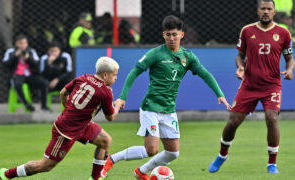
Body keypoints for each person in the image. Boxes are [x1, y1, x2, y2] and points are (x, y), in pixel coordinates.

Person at [101, 15, 231, 180]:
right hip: (151, 107)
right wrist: (122, 97)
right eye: (168, 35)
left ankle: (141, 172)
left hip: (169, 110)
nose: (171, 38)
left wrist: (220, 94)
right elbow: (134, 72)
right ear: (163, 35)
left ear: (181, 35)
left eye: (174, 34)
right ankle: (111, 160)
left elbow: (206, 74)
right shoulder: (155, 54)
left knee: (172, 153)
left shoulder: (188, 57)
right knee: (151, 150)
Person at [0, 56, 121, 180]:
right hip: (65, 132)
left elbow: (63, 93)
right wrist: (117, 106)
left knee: (105, 141)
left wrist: (68, 109)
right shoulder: (106, 92)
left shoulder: (83, 78)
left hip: (82, 125)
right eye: (114, 75)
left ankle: (95, 178)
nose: (116, 77)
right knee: (45, 165)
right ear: (105, 75)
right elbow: (110, 117)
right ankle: (6, 174)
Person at [209, 0, 295, 174]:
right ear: (257, 11)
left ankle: (272, 164)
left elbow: (289, 58)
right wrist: (240, 67)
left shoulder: (283, 33)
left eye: (269, 9)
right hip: (249, 85)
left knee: (272, 118)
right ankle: (222, 155)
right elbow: (240, 56)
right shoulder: (247, 31)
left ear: (274, 11)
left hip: (271, 85)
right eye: (262, 8)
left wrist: (289, 69)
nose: (265, 11)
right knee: (233, 121)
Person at [2, 34, 50, 112]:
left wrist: (28, 58)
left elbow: (37, 64)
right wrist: (15, 56)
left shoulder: (31, 51)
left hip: (30, 75)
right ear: (17, 44)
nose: (23, 45)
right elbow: (5, 64)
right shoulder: (10, 51)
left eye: (25, 43)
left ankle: (44, 106)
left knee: (44, 83)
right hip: (16, 75)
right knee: (17, 85)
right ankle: (27, 104)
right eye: (21, 43)